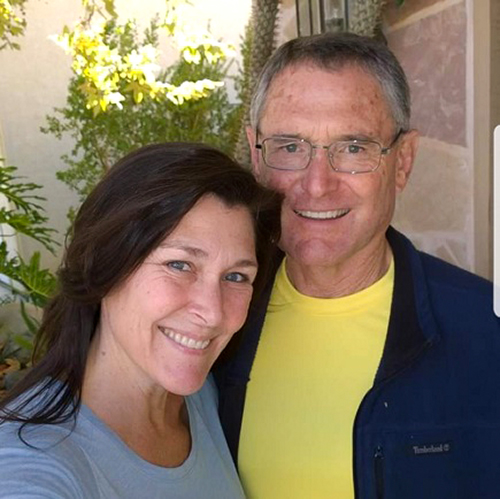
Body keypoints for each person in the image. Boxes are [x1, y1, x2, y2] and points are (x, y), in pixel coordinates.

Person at [214, 32, 500, 498]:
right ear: (256, 156)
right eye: (289, 147)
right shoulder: (211, 323)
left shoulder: (488, 331)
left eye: (352, 148)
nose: (318, 185)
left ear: (403, 161)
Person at [0, 142, 281, 498]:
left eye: (237, 277)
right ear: (105, 266)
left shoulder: (201, 399)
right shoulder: (32, 460)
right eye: (179, 265)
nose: (213, 312)